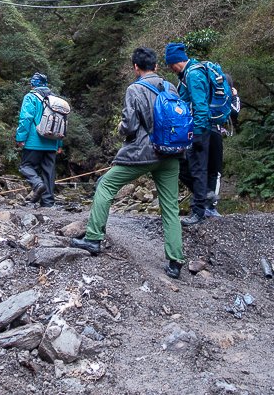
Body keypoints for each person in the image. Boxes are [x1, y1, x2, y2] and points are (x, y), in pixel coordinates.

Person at [70, 47, 185, 279]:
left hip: (144, 153)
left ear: (135, 67)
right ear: (156, 65)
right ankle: (175, 261)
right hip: (172, 153)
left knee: (106, 185)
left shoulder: (135, 89)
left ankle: (93, 238)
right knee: (171, 207)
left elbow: (130, 126)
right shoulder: (170, 87)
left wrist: (121, 128)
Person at [164, 41, 211, 226]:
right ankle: (205, 196)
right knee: (184, 166)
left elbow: (200, 106)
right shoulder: (187, 74)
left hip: (199, 130)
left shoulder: (193, 75)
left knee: (197, 169)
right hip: (191, 130)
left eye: (170, 65)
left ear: (175, 62)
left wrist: (198, 132)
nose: (170, 68)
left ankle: (199, 212)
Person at [14, 72, 63, 207]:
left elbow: (26, 118)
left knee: (26, 166)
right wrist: (59, 144)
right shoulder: (56, 100)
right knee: (49, 173)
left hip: (33, 142)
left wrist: (20, 138)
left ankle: (37, 184)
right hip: (52, 142)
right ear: (46, 84)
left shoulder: (30, 97)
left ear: (33, 84)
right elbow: (61, 123)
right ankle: (47, 204)